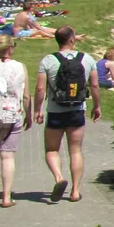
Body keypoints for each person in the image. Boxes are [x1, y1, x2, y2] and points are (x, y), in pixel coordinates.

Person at [35, 26, 100, 203]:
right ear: (72, 40)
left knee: (51, 149)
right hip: (77, 110)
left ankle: (58, 178)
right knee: (76, 150)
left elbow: (41, 88)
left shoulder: (48, 60)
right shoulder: (86, 59)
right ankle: (75, 191)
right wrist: (97, 106)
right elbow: (94, 85)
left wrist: (37, 110)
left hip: (56, 111)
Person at [0, 36, 29, 207]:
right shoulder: (20, 67)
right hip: (13, 114)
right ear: (10, 49)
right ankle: (6, 197)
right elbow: (26, 95)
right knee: (8, 156)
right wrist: (29, 114)